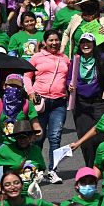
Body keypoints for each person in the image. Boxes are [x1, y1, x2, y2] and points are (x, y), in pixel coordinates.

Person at [67, 34, 104, 167]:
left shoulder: (102, 58)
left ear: (94, 44)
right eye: (83, 43)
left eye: (88, 42)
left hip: (99, 102)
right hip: (81, 103)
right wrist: (69, 85)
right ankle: (90, 168)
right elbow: (68, 78)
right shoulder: (76, 60)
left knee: (102, 134)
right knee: (85, 138)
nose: (85, 45)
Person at [25, 30, 71, 183]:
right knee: (38, 137)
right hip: (40, 102)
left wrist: (70, 87)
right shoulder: (37, 57)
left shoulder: (65, 59)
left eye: (56, 40)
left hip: (59, 102)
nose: (54, 43)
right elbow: (27, 76)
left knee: (55, 137)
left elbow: (70, 77)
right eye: (50, 40)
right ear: (44, 42)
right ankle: (36, 170)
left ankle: (52, 170)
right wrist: (30, 92)